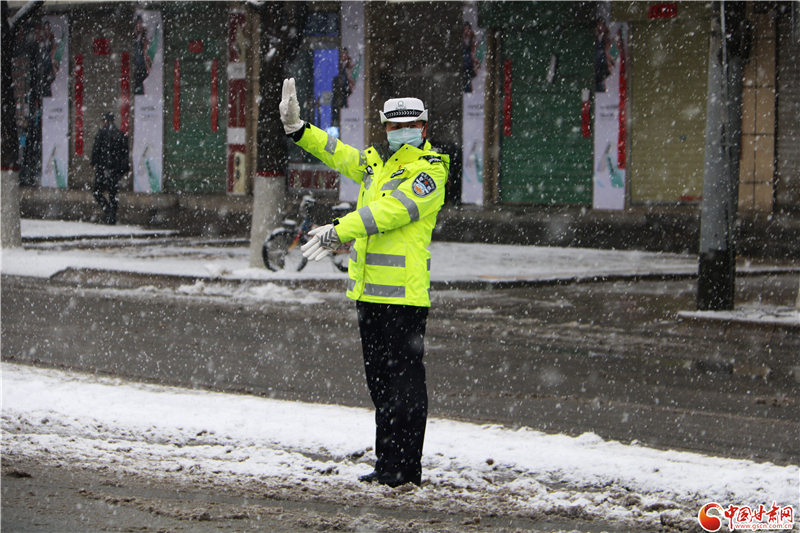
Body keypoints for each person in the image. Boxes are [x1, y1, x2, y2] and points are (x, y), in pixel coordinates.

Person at [279, 78, 449, 488]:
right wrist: (299, 129)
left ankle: (406, 470)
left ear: (424, 127)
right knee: (381, 386)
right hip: (368, 293)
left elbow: (391, 211)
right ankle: (387, 465)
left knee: (405, 388)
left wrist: (339, 230)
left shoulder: (429, 170)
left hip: (404, 297)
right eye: (393, 126)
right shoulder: (379, 164)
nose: (400, 132)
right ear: (385, 128)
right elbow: (339, 154)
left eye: (408, 126)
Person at [91, 113, 129, 225]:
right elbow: (124, 153)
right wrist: (124, 168)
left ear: (105, 121)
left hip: (103, 168)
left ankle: (108, 211)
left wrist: (93, 162)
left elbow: (96, 148)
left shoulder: (101, 133)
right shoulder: (120, 134)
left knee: (97, 191)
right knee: (113, 193)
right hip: (115, 169)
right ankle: (112, 216)